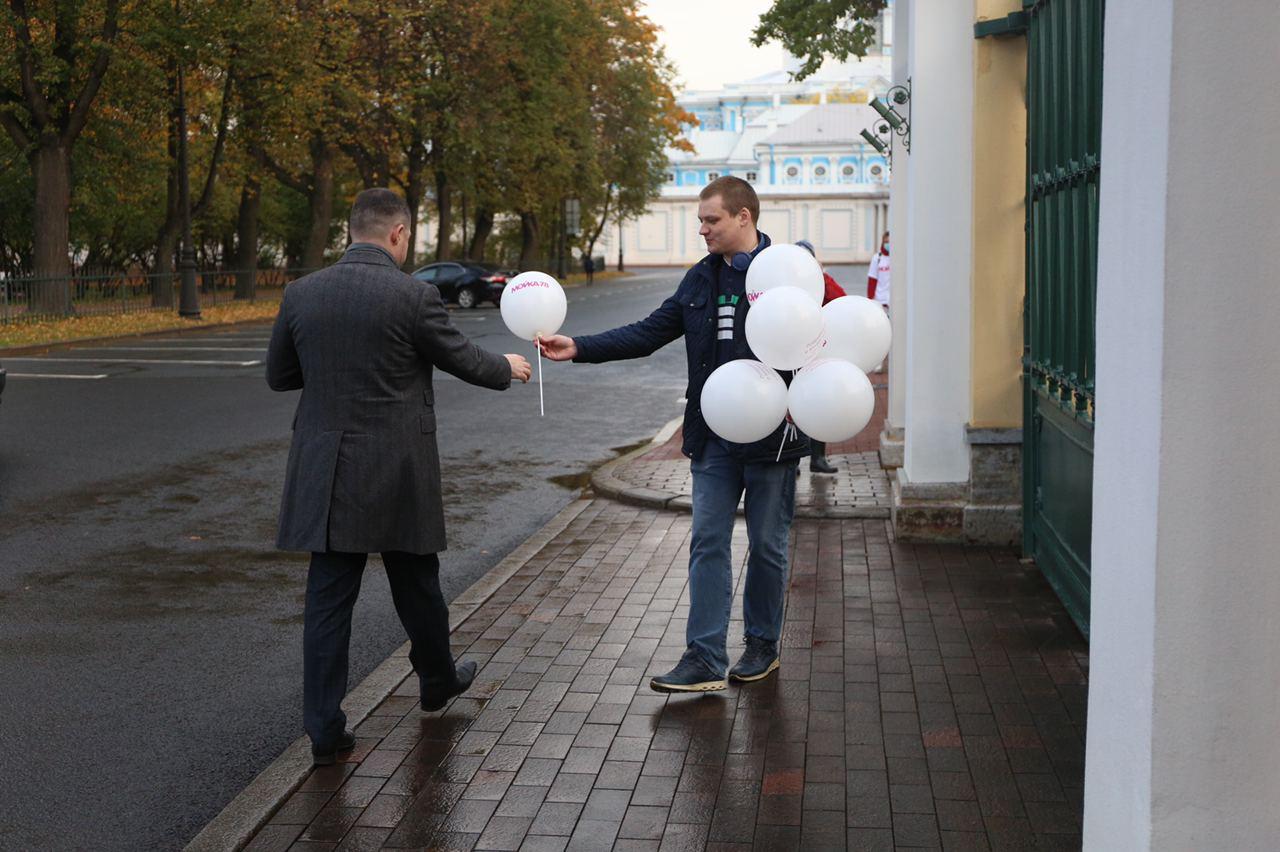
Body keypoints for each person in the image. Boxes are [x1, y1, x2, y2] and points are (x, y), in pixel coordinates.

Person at [267, 188, 532, 765]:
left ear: (351, 231)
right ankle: (437, 680)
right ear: (398, 234)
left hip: (327, 469)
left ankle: (324, 729)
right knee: (417, 583)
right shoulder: (413, 295)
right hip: (396, 466)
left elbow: (280, 376)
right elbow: (460, 356)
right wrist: (507, 368)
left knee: (328, 599)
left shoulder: (301, 293)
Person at [539, 176, 806, 693]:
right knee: (708, 542)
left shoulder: (788, 275)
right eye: (700, 221)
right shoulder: (700, 280)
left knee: (767, 547)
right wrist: (580, 346)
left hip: (774, 438)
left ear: (744, 218)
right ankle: (705, 658)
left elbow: (819, 347)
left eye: (712, 220)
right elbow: (650, 331)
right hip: (713, 438)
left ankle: (761, 646)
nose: (702, 230)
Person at [795, 239, 845, 475]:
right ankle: (790, 460)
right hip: (788, 351)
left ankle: (818, 457)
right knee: (788, 405)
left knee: (819, 403)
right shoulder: (782, 282)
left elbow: (840, 300)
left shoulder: (820, 281)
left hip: (817, 350)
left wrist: (821, 276)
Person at [868, 230, 890, 309]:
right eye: (886, 242)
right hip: (879, 301)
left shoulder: (896, 258)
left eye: (890, 242)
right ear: (883, 242)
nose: (888, 244)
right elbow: (872, 279)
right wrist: (870, 299)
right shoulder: (877, 258)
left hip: (892, 301)